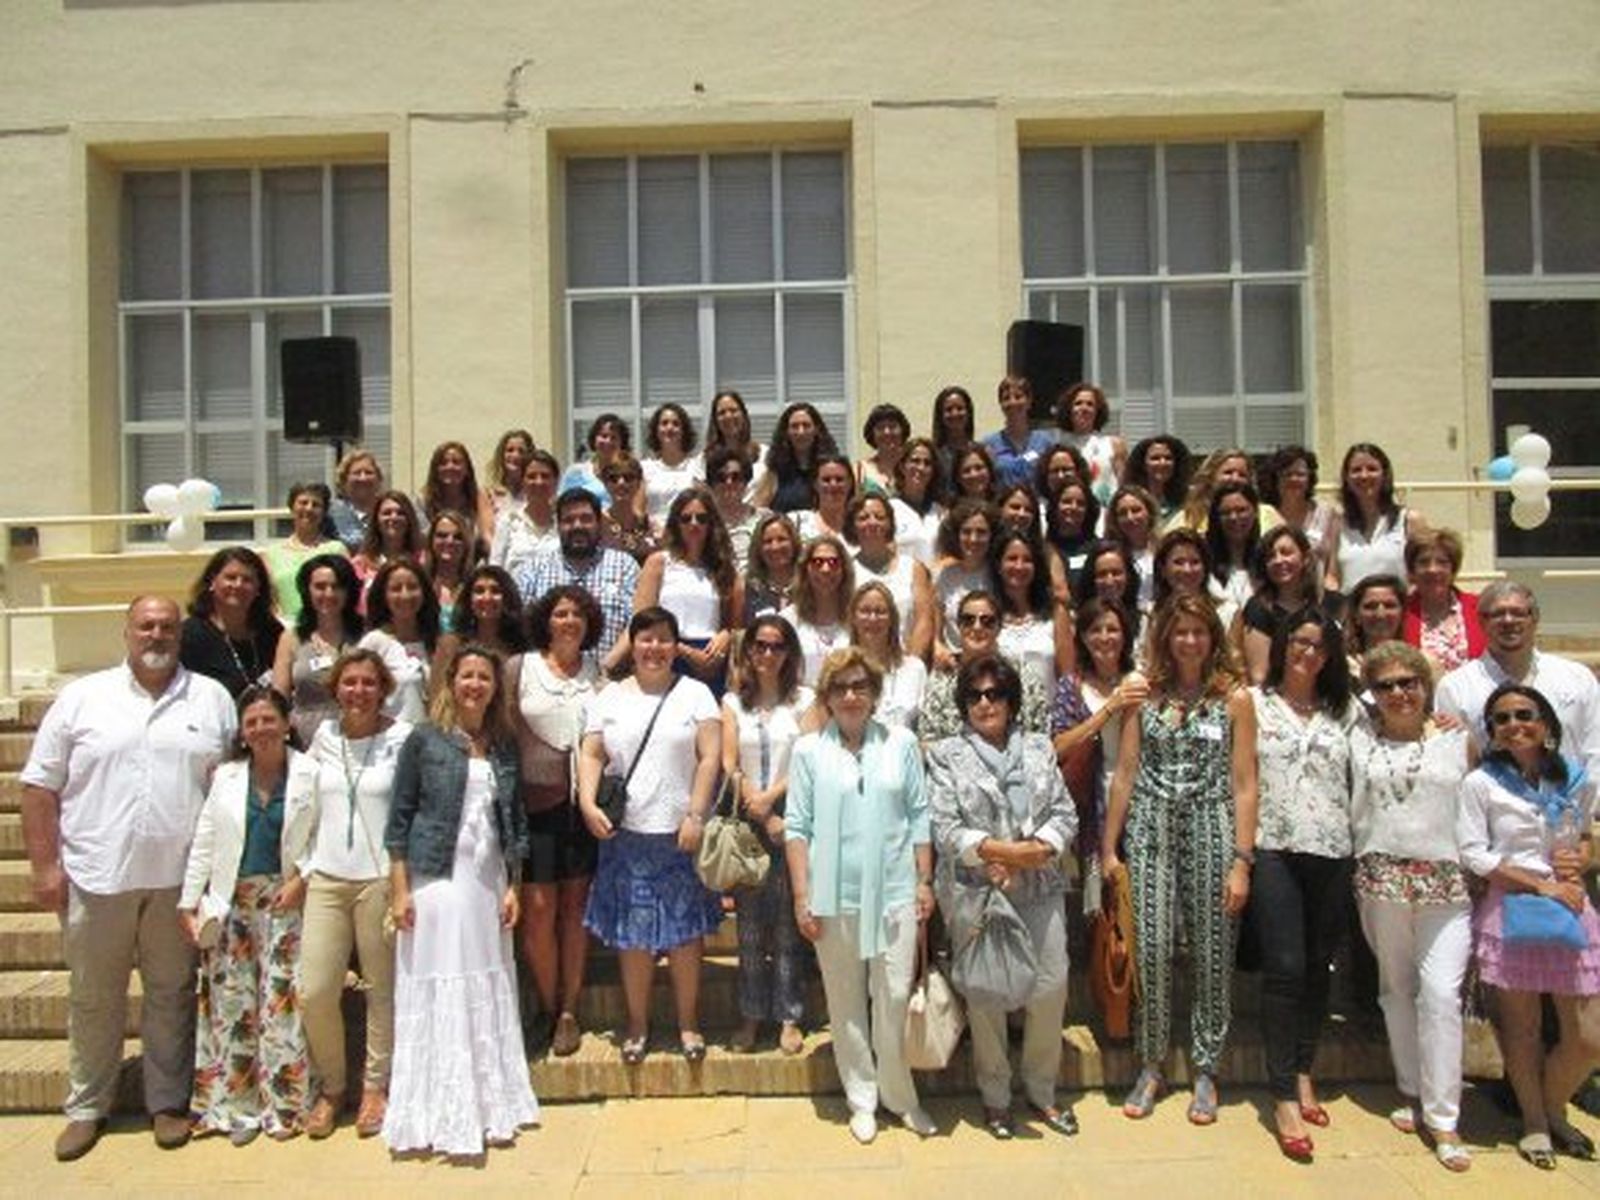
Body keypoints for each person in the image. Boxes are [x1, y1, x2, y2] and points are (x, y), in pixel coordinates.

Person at [21, 597, 236, 1161]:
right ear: (127, 632)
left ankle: (166, 1104)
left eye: (167, 626)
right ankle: (86, 1107)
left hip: (179, 884)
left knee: (171, 995)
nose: (157, 635)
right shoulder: (81, 699)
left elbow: (230, 786)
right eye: (147, 626)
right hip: (98, 877)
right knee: (94, 997)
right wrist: (45, 867)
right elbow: (39, 788)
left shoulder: (211, 699)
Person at [1102, 593, 1257, 1124]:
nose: (1190, 641)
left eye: (1199, 631)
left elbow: (1244, 782)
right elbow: (1124, 773)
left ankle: (1207, 1067)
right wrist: (1108, 846)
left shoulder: (1232, 698)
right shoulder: (1145, 697)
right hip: (1151, 827)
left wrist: (1242, 859)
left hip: (1212, 825)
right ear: (1166, 638)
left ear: (1213, 637)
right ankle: (1152, 1063)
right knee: (1153, 947)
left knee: (1213, 950)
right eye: (1180, 631)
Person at [383, 645, 539, 1156]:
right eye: (467, 676)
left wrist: (514, 882)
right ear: (450, 682)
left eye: (485, 678)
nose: (475, 685)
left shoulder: (500, 743)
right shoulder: (424, 740)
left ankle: (490, 1103)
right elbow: (399, 819)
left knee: (484, 976)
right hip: (437, 879)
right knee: (443, 981)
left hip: (487, 880)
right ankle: (440, 1109)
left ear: (496, 688)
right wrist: (400, 890)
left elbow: (513, 818)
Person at [785, 647, 937, 1144]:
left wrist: (924, 880)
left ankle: (900, 1095)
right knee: (845, 999)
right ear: (827, 697)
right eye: (840, 688)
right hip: (833, 895)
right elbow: (796, 826)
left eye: (860, 687)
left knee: (892, 995)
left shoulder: (901, 742)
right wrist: (802, 895)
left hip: (895, 892)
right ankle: (862, 1098)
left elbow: (919, 815)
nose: (851, 696)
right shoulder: (808, 750)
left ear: (874, 694)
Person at [928, 653, 1078, 1139]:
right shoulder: (947, 754)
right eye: (975, 695)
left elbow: (1065, 813)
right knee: (987, 995)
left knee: (1051, 985)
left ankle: (1042, 1089)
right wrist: (996, 853)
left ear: (1011, 701)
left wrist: (1035, 851)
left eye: (994, 694)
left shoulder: (1038, 748)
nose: (985, 703)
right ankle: (995, 1097)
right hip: (978, 892)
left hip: (1040, 884)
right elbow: (946, 826)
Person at [1459, 683, 1600, 1170]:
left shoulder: (1574, 778)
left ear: (1546, 724)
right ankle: (1537, 1124)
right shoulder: (1482, 783)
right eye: (1501, 719)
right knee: (1521, 1030)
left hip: (1570, 905)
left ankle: (1555, 1105)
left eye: (1524, 714)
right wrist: (1540, 886)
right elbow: (1475, 853)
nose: (1514, 724)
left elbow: (1584, 836)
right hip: (1513, 906)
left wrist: (1578, 859)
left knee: (1588, 1036)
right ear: (1492, 732)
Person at [1348, 640, 1474, 1171]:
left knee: (1441, 995)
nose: (1399, 693)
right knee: (1395, 989)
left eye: (1409, 682)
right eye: (1386, 685)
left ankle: (1444, 1117)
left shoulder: (1457, 738)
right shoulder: (1358, 739)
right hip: (1381, 881)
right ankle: (1410, 1088)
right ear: (1371, 695)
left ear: (1426, 686)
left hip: (1447, 886)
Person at [578, 608, 722, 1065]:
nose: (654, 648)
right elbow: (592, 752)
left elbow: (709, 757)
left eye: (664, 639)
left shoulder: (696, 694)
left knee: (684, 935)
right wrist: (587, 803)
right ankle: (637, 1023)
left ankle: (688, 1022)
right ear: (632, 644)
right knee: (634, 936)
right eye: (645, 639)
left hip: (679, 831)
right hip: (626, 833)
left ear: (675, 645)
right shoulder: (609, 697)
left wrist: (696, 813)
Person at [285, 647, 412, 1140]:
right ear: (335, 688)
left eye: (368, 683)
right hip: (328, 878)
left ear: (383, 689)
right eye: (349, 683)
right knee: (315, 989)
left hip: (381, 878)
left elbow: (407, 810)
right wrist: (300, 869)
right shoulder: (324, 738)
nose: (358, 692)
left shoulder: (401, 740)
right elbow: (307, 807)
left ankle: (375, 1087)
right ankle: (333, 1086)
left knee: (382, 989)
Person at [179, 685, 312, 1144]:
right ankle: (238, 1109)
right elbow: (206, 839)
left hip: (285, 901)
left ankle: (286, 1105)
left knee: (282, 1003)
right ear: (242, 731)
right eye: (252, 722)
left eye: (268, 719)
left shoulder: (310, 773)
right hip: (231, 903)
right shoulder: (228, 778)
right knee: (233, 1006)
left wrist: (303, 878)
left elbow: (325, 836)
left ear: (287, 723)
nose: (261, 729)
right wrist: (188, 900)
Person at [1246, 612, 1357, 1161]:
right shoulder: (1254, 703)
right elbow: (1241, 779)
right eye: (1299, 642)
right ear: (1283, 646)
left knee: (1318, 965)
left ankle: (1306, 1068)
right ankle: (1283, 1090)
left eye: (1318, 645)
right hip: (1274, 847)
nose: (1307, 653)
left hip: (1334, 849)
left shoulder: (1348, 711)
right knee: (1286, 967)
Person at [508, 585, 602, 1059]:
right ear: (547, 619)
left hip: (582, 808)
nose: (570, 621)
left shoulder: (597, 674)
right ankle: (546, 1004)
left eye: (578, 614)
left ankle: (568, 1009)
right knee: (539, 912)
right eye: (562, 613)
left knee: (574, 909)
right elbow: (504, 731)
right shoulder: (520, 668)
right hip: (534, 808)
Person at [722, 615, 818, 1055]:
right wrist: (758, 809)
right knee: (748, 929)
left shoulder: (805, 702)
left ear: (789, 653)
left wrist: (774, 802)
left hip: (792, 818)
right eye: (759, 645)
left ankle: (789, 1015)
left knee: (786, 927)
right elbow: (728, 764)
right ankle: (750, 1014)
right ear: (748, 651)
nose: (767, 654)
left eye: (777, 646)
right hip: (748, 821)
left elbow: (810, 758)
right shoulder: (732, 703)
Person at [1435, 580, 1600, 778]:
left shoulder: (1577, 678)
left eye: (1518, 612)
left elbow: (1595, 751)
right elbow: (1452, 765)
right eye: (1497, 614)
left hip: (1572, 803)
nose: (1508, 620)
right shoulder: (1455, 687)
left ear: (1535, 618)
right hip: (1492, 805)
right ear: (1481, 621)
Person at [1051, 598, 1147, 908]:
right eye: (1095, 629)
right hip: (1089, 807)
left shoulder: (1143, 681)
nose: (1104, 637)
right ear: (1082, 636)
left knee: (1136, 900)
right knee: (1095, 911)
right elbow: (1057, 746)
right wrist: (1109, 709)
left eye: (1112, 629)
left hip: (1140, 801)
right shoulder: (1071, 686)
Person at [517, 487, 640, 678]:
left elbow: (637, 622)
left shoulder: (625, 566)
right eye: (568, 520)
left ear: (599, 523)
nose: (577, 526)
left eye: (586, 519)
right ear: (557, 526)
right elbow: (522, 627)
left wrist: (605, 668)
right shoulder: (533, 570)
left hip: (610, 681)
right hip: (547, 680)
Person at [635, 486, 743, 692]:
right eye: (686, 518)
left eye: (701, 518)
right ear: (676, 523)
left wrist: (725, 637)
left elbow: (734, 625)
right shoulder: (659, 563)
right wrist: (684, 651)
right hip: (668, 655)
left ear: (712, 524)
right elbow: (642, 619)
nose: (694, 524)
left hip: (711, 661)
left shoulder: (724, 569)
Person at [922, 589, 1051, 743]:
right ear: (958, 626)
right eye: (968, 620)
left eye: (987, 621)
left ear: (999, 627)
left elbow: (1040, 732)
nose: (977, 627)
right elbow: (928, 738)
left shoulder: (1023, 675)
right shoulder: (942, 677)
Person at [270, 553, 364, 746]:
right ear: (307, 591)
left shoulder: (367, 635)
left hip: (359, 736)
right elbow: (278, 699)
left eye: (336, 586)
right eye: (320, 587)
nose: (328, 594)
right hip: (306, 741)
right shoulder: (291, 638)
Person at [180, 546, 284, 699]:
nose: (238, 585)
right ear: (212, 582)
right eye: (230, 577)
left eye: (247, 579)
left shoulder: (272, 632)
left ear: (259, 588)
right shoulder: (189, 635)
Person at [1239, 525, 1335, 684]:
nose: (1278, 561)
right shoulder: (1259, 608)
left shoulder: (1328, 603)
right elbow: (1259, 676)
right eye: (1270, 556)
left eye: (1286, 553)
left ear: (1305, 558)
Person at [849, 493, 934, 661]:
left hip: (904, 663)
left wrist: (909, 667)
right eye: (863, 517)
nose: (872, 522)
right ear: (852, 525)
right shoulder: (846, 570)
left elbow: (924, 620)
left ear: (890, 524)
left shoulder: (913, 568)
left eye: (879, 517)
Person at [1334, 442, 1424, 592]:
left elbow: (1424, 571)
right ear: (1347, 479)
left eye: (1372, 469)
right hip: (1350, 613)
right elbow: (1332, 576)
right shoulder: (1338, 523)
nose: (1364, 475)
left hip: (1397, 612)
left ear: (1385, 475)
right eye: (1356, 470)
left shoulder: (1409, 520)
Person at [359, 558, 440, 723]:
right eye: (396, 589)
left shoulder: (439, 642)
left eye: (412, 587)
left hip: (433, 742)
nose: (405, 595)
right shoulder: (373, 644)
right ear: (383, 595)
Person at [994, 528, 1072, 699]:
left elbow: (1067, 675)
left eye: (1027, 560)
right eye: (1012, 559)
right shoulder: (988, 615)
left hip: (1048, 718)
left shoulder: (1055, 613)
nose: (1019, 566)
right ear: (999, 566)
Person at [262, 482, 348, 626]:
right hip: (285, 629)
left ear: (324, 512)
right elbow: (269, 600)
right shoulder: (272, 554)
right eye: (303, 502)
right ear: (292, 507)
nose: (309, 508)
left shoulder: (336, 549)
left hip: (328, 627)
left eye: (316, 505)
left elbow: (347, 593)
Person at [1402, 528, 1485, 676]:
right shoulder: (1400, 612)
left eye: (1442, 562)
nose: (1433, 569)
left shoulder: (1480, 608)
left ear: (1453, 570)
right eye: (1423, 562)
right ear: (1412, 570)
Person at [847, 581, 927, 732]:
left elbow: (923, 729)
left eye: (880, 611)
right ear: (853, 618)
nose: (873, 618)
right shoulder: (841, 670)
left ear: (892, 619)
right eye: (865, 611)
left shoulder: (915, 669)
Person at [1257, 446, 1339, 589]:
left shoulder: (1326, 514)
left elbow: (1332, 571)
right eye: (1287, 474)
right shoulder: (1262, 513)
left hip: (1316, 600)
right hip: (1272, 599)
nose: (1294, 479)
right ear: (1275, 478)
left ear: (1310, 478)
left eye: (1300, 474)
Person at [780, 534, 855, 686]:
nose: (826, 569)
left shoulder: (858, 618)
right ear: (805, 569)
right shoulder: (786, 621)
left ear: (844, 569)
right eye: (817, 562)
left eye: (834, 562)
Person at [932, 499, 998, 666]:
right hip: (954, 664)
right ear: (956, 535)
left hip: (994, 664)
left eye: (981, 532)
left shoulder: (999, 574)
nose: (973, 539)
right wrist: (939, 648)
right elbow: (936, 633)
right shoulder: (944, 575)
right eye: (966, 532)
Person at [435, 563, 528, 670]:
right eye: (479, 591)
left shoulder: (520, 648)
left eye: (495, 591)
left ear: (507, 598)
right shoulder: (450, 644)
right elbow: (437, 686)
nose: (487, 598)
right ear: (469, 599)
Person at [757, 402, 839, 514]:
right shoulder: (774, 471)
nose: (801, 432)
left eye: (806, 425)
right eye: (795, 426)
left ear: (816, 429)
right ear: (786, 432)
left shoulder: (830, 468)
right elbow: (759, 509)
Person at [490, 448, 560, 580]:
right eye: (531, 476)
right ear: (522, 481)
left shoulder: (564, 523)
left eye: (545, 476)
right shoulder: (508, 521)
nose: (538, 482)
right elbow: (495, 569)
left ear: (556, 481)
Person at [351, 490, 426, 610]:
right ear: (376, 520)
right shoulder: (359, 565)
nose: (394, 517)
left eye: (401, 513)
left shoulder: (423, 561)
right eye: (387, 513)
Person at [1055, 381, 1125, 507]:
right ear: (1069, 410)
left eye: (1090, 404)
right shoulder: (1059, 447)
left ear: (1097, 411)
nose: (1084, 408)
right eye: (1078, 403)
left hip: (1105, 515)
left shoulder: (1113, 444)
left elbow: (1124, 486)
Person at [983, 374, 1054, 490]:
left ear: (1029, 401)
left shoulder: (1045, 442)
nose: (1013, 402)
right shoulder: (989, 445)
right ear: (1000, 404)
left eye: (1018, 396)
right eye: (1006, 398)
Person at [640, 402, 704, 527]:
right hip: (654, 537)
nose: (669, 428)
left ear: (684, 431)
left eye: (676, 424)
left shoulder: (697, 466)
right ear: (656, 430)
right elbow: (638, 509)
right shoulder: (644, 468)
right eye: (664, 423)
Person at [1204, 483, 1263, 618]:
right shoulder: (1202, 559)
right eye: (1225, 513)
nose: (1234, 517)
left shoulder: (1268, 559)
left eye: (1241, 510)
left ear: (1255, 512)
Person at [417, 440, 496, 539]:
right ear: (435, 470)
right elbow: (424, 538)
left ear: (467, 469)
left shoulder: (479, 500)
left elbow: (487, 535)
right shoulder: (423, 502)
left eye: (457, 462)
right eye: (443, 463)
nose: (450, 467)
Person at [705, 445, 767, 571]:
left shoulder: (764, 519)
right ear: (712, 483)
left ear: (745, 481)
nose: (729, 483)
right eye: (721, 478)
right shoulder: (703, 521)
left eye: (736, 477)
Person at [889, 436, 946, 569]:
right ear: (902, 466)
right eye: (915, 461)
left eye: (927, 463)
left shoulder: (940, 512)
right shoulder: (889, 509)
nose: (921, 467)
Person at [703, 389, 769, 504]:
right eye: (722, 413)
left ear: (744, 415)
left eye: (733, 410)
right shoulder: (703, 460)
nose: (728, 416)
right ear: (715, 420)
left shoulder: (765, 455)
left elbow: (768, 492)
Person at [597, 450, 660, 565]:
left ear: (639, 482)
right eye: (613, 478)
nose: (621, 483)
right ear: (605, 484)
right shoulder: (599, 523)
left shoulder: (649, 526)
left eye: (628, 477)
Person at [425, 509, 480, 636]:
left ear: (466, 544)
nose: (450, 541)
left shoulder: (475, 586)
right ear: (431, 540)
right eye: (442, 535)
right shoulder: (420, 583)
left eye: (458, 537)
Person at [1107, 483, 1161, 611]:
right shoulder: (1111, 555)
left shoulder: (1165, 550)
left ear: (1149, 513)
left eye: (1136, 510)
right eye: (1123, 513)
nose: (1130, 517)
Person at [1345, 574, 1407, 682]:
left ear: (1403, 613)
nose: (1380, 614)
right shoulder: (1341, 667)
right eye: (1370, 606)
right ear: (1356, 615)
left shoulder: (1424, 664)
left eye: (1389, 605)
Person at [560, 412, 631, 506]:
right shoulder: (575, 472)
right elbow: (561, 505)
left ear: (622, 443)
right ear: (594, 439)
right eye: (604, 436)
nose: (608, 441)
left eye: (614, 438)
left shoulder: (629, 476)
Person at [743, 513, 802, 622]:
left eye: (782, 539)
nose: (775, 547)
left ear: (794, 542)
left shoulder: (809, 585)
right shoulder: (747, 589)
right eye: (767, 541)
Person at [1125, 435, 1191, 524]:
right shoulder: (1130, 499)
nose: (1162, 463)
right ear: (1143, 464)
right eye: (1155, 458)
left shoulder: (1188, 498)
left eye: (1168, 458)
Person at [329, 448, 385, 552]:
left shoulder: (390, 511)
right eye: (356, 473)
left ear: (379, 479)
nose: (363, 478)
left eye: (369, 473)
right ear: (344, 480)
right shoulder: (331, 513)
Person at [792, 453, 855, 544]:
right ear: (815, 484)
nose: (833, 484)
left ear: (850, 484)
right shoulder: (797, 522)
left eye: (839, 479)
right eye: (826, 480)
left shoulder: (861, 526)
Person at [930, 384, 977, 497]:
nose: (955, 413)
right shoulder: (933, 454)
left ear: (969, 412)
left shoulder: (980, 452)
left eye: (960, 408)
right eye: (948, 410)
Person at [485, 428, 537, 527]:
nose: (515, 455)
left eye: (521, 451)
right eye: (510, 450)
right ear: (502, 455)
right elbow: (487, 532)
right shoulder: (488, 494)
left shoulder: (535, 494)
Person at [857, 402, 911, 495]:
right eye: (880, 428)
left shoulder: (913, 467)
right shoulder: (860, 469)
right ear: (872, 434)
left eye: (892, 426)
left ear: (903, 431)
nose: (887, 432)